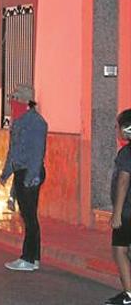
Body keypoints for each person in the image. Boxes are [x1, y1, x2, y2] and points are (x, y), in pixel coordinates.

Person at [0, 83, 47, 271]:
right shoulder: (18, 121)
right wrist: (6, 173)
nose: (13, 102)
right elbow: (13, 151)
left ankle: (27, 258)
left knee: (29, 217)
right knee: (28, 216)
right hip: (21, 171)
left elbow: (37, 152)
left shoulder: (36, 122)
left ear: (27, 101)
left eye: (16, 99)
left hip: (30, 172)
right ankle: (33, 258)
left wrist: (31, 177)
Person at [105, 109, 131, 305]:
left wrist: (117, 214)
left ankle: (129, 294)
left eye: (119, 126)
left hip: (128, 211)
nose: (117, 129)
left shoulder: (127, 153)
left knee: (120, 250)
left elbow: (123, 181)